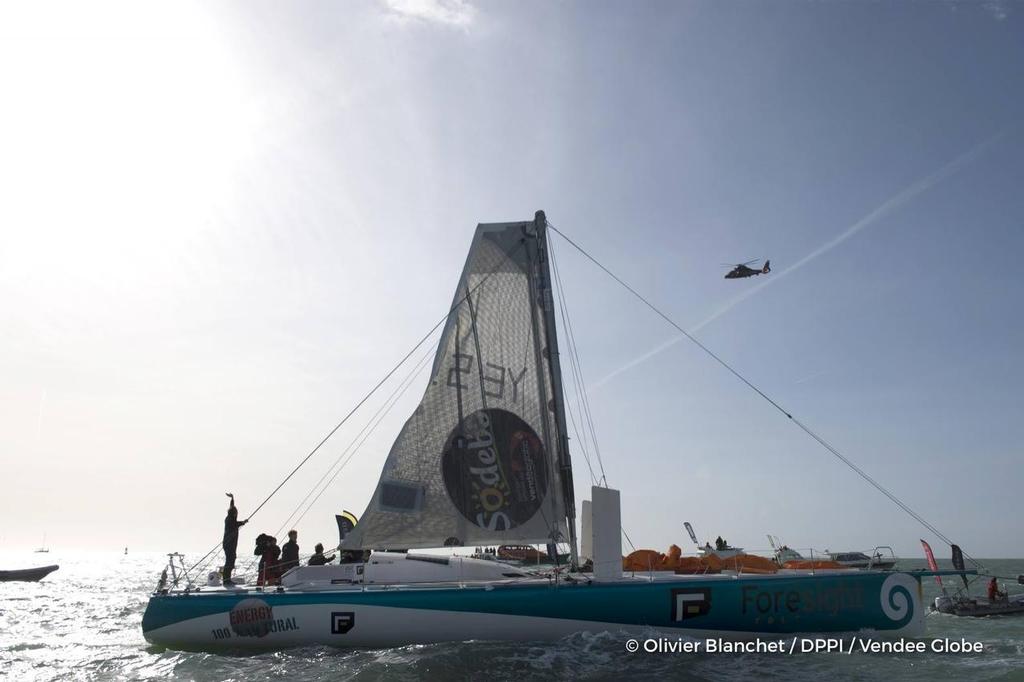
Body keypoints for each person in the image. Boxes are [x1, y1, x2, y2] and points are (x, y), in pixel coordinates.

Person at [222, 493, 248, 586]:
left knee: (232, 559)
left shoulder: (231, 517)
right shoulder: (229, 520)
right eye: (236, 512)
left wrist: (232, 498)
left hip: (231, 544)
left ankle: (227, 579)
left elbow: (231, 506)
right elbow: (235, 524)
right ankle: (226, 580)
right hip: (228, 544)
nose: (237, 513)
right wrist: (243, 522)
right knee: (230, 560)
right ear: (233, 513)